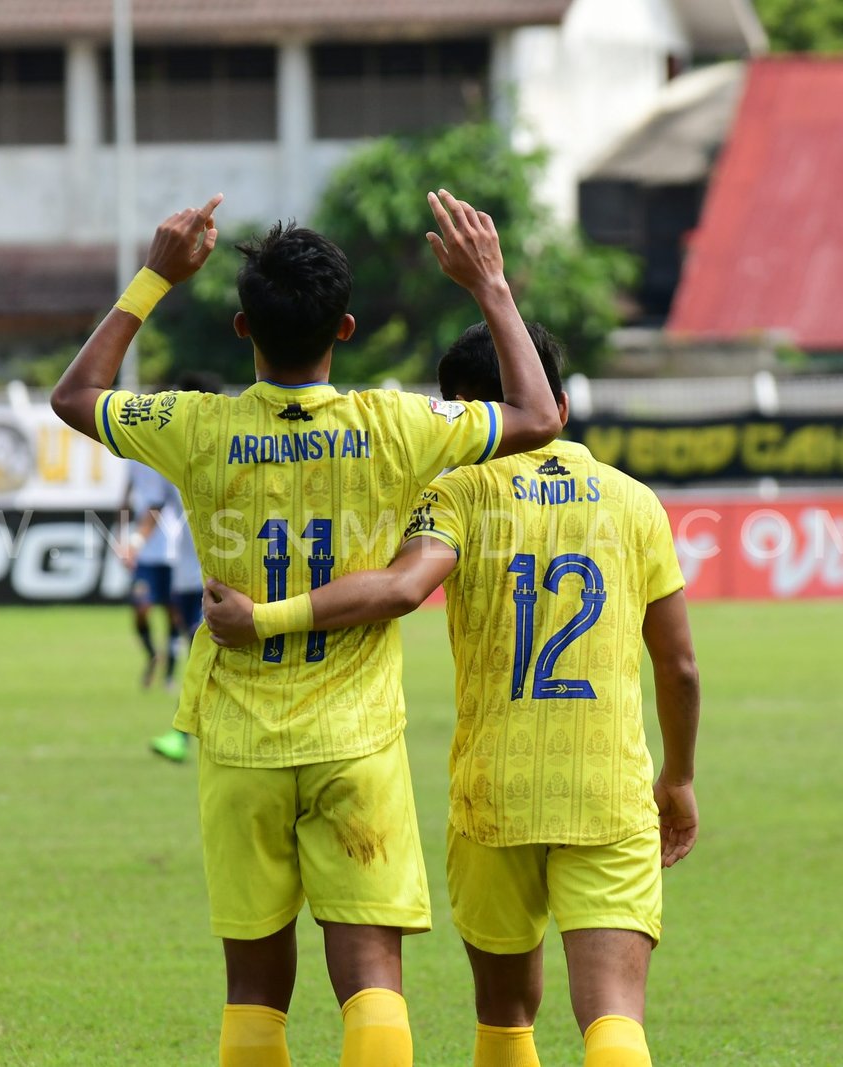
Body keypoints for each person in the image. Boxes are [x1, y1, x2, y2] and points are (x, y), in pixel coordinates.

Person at [51, 191, 561, 1067]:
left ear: (243, 327)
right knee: (371, 976)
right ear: (347, 328)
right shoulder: (398, 424)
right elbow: (540, 416)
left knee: (253, 989)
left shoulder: (195, 425)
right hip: (356, 738)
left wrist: (156, 277)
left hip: (240, 738)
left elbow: (75, 395)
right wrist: (490, 286)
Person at [206, 323, 700, 1067]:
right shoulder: (636, 503)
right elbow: (680, 666)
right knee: (614, 1018)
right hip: (607, 787)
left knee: (504, 1016)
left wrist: (266, 619)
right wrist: (680, 777)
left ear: (462, 415)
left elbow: (402, 588)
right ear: (559, 404)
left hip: (494, 789)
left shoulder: (457, 494)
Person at [150, 371, 226, 763]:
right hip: (185, 568)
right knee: (199, 649)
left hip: (219, 572)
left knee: (208, 652)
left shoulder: (230, 449)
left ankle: (182, 734)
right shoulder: (175, 450)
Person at [122, 460, 184, 689]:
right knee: (141, 608)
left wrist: (135, 543)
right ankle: (152, 656)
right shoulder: (131, 458)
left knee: (174, 613)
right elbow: (126, 497)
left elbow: (156, 506)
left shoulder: (159, 455)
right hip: (145, 555)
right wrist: (122, 534)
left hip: (171, 550)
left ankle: (169, 674)